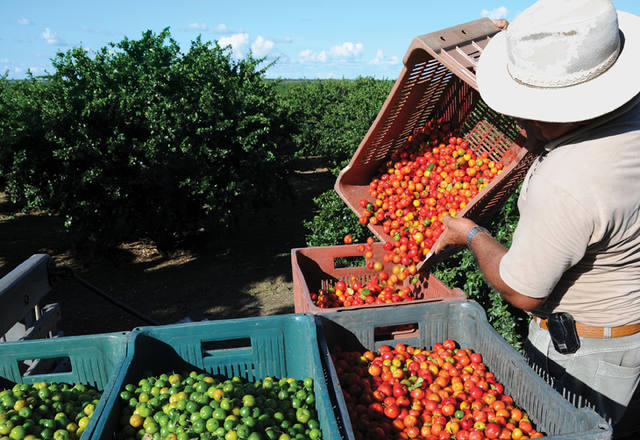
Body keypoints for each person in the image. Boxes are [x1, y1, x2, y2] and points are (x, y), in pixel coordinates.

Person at [431, 0, 640, 437]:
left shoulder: (569, 180)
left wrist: (471, 233)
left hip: (587, 356)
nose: (523, 120)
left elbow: (522, 291)